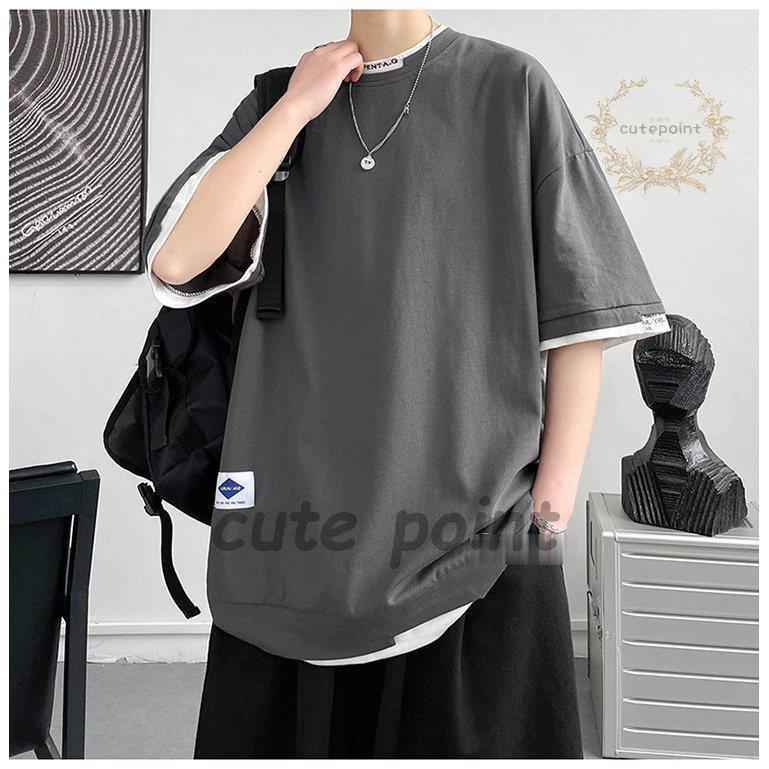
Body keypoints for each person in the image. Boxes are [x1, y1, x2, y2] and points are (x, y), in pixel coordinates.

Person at [145, 9, 669, 758]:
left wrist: (547, 513)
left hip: (473, 526)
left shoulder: (509, 86)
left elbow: (580, 316)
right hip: (293, 530)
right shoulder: (279, 99)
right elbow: (177, 263)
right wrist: (294, 109)